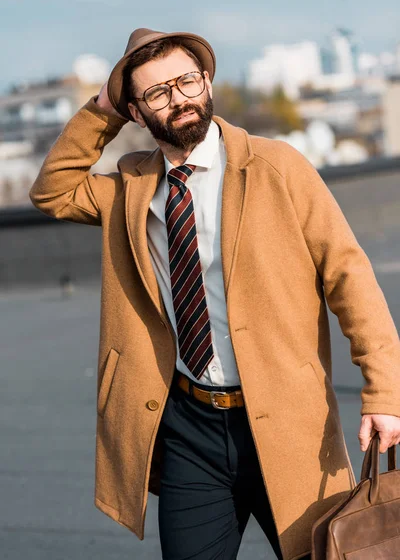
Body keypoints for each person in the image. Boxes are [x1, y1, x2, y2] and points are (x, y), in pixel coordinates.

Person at [29, 28, 400, 560]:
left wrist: (384, 392)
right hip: (190, 429)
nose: (178, 98)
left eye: (187, 81)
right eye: (157, 92)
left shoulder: (277, 167)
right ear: (136, 112)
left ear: (207, 83)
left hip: (290, 424)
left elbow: (349, 277)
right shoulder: (129, 189)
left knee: (324, 552)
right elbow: (53, 191)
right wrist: (102, 107)